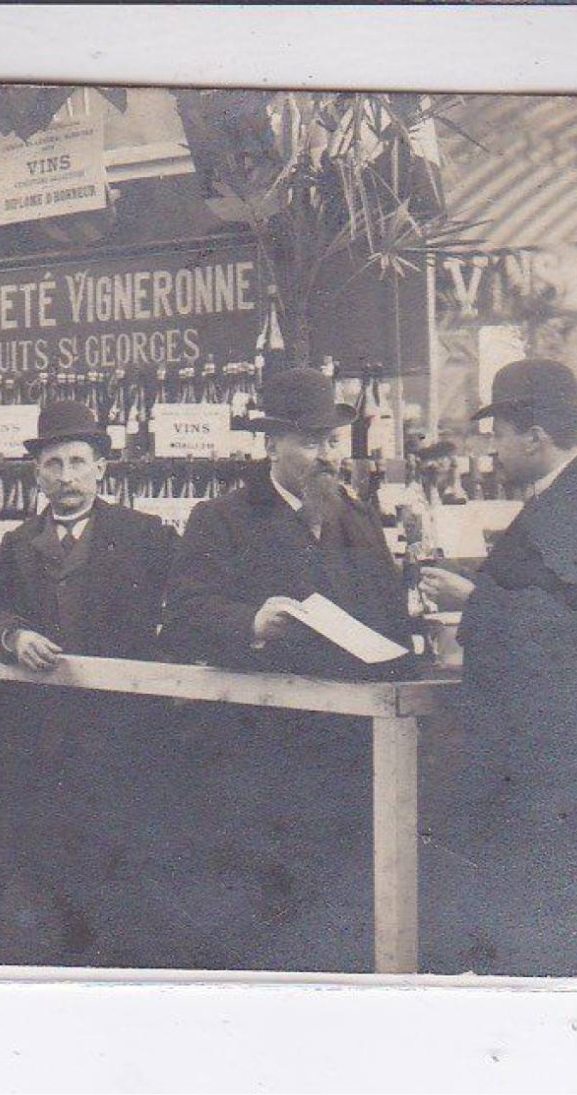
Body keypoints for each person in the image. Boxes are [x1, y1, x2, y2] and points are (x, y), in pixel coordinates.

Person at [161, 366, 412, 972]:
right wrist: (253, 621)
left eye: (328, 441)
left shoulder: (354, 516)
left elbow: (386, 611)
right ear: (271, 444)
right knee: (265, 889)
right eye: (308, 441)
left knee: (342, 883)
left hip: (345, 737)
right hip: (260, 741)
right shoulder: (221, 518)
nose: (322, 455)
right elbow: (187, 610)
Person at [0, 400, 178, 966]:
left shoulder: (145, 536)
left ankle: (120, 958)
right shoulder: (17, 545)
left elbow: (182, 613)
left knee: (119, 839)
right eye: (53, 465)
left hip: (121, 724)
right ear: (37, 474)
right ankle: (58, 956)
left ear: (100, 468)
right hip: (43, 727)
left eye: (76, 462)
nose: (66, 477)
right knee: (50, 841)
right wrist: (13, 637)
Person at [418, 358, 577, 975]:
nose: (491, 448)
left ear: (533, 435)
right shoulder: (571, 496)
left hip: (546, 757)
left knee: (539, 911)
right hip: (540, 753)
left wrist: (474, 598)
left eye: (498, 432)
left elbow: (575, 627)